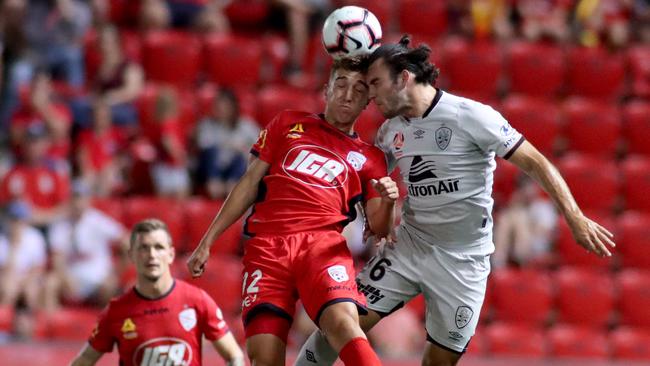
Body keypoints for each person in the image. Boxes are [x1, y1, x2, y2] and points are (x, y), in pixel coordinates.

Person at [295, 35, 616, 366]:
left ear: (404, 78)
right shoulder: (389, 132)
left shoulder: (471, 116)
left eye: (376, 83)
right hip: (409, 249)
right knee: (337, 325)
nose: (371, 94)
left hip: (463, 263)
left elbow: (537, 162)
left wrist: (574, 216)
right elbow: (370, 183)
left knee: (438, 362)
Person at [186, 57, 399, 366]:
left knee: (343, 325)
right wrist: (208, 240)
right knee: (264, 357)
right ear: (327, 90)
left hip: (322, 247)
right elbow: (248, 183)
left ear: (368, 100)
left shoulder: (370, 158)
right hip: (268, 248)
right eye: (341, 85)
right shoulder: (287, 123)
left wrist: (389, 200)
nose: (348, 94)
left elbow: (379, 229)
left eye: (359, 89)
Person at [70, 218, 244, 366]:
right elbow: (84, 360)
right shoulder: (117, 312)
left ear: (171, 254)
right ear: (131, 256)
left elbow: (234, 354)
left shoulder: (198, 301)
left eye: (159, 247)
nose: (152, 255)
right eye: (144, 248)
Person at [44, 181, 128, 311]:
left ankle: (106, 326)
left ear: (88, 200)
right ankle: (53, 326)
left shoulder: (97, 220)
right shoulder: (60, 225)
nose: (78, 203)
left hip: (98, 279)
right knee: (50, 283)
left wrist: (115, 272)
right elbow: (57, 258)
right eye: (75, 198)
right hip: (71, 278)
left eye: (82, 198)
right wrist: (64, 277)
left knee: (112, 286)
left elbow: (126, 240)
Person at [194, 88, 260, 199]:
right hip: (212, 169)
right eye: (218, 107)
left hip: (234, 168)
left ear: (233, 108)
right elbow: (203, 145)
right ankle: (214, 184)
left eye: (224, 107)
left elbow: (261, 144)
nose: (220, 110)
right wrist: (231, 145)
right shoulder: (207, 124)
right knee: (211, 152)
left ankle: (232, 186)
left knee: (243, 157)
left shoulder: (245, 125)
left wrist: (243, 149)